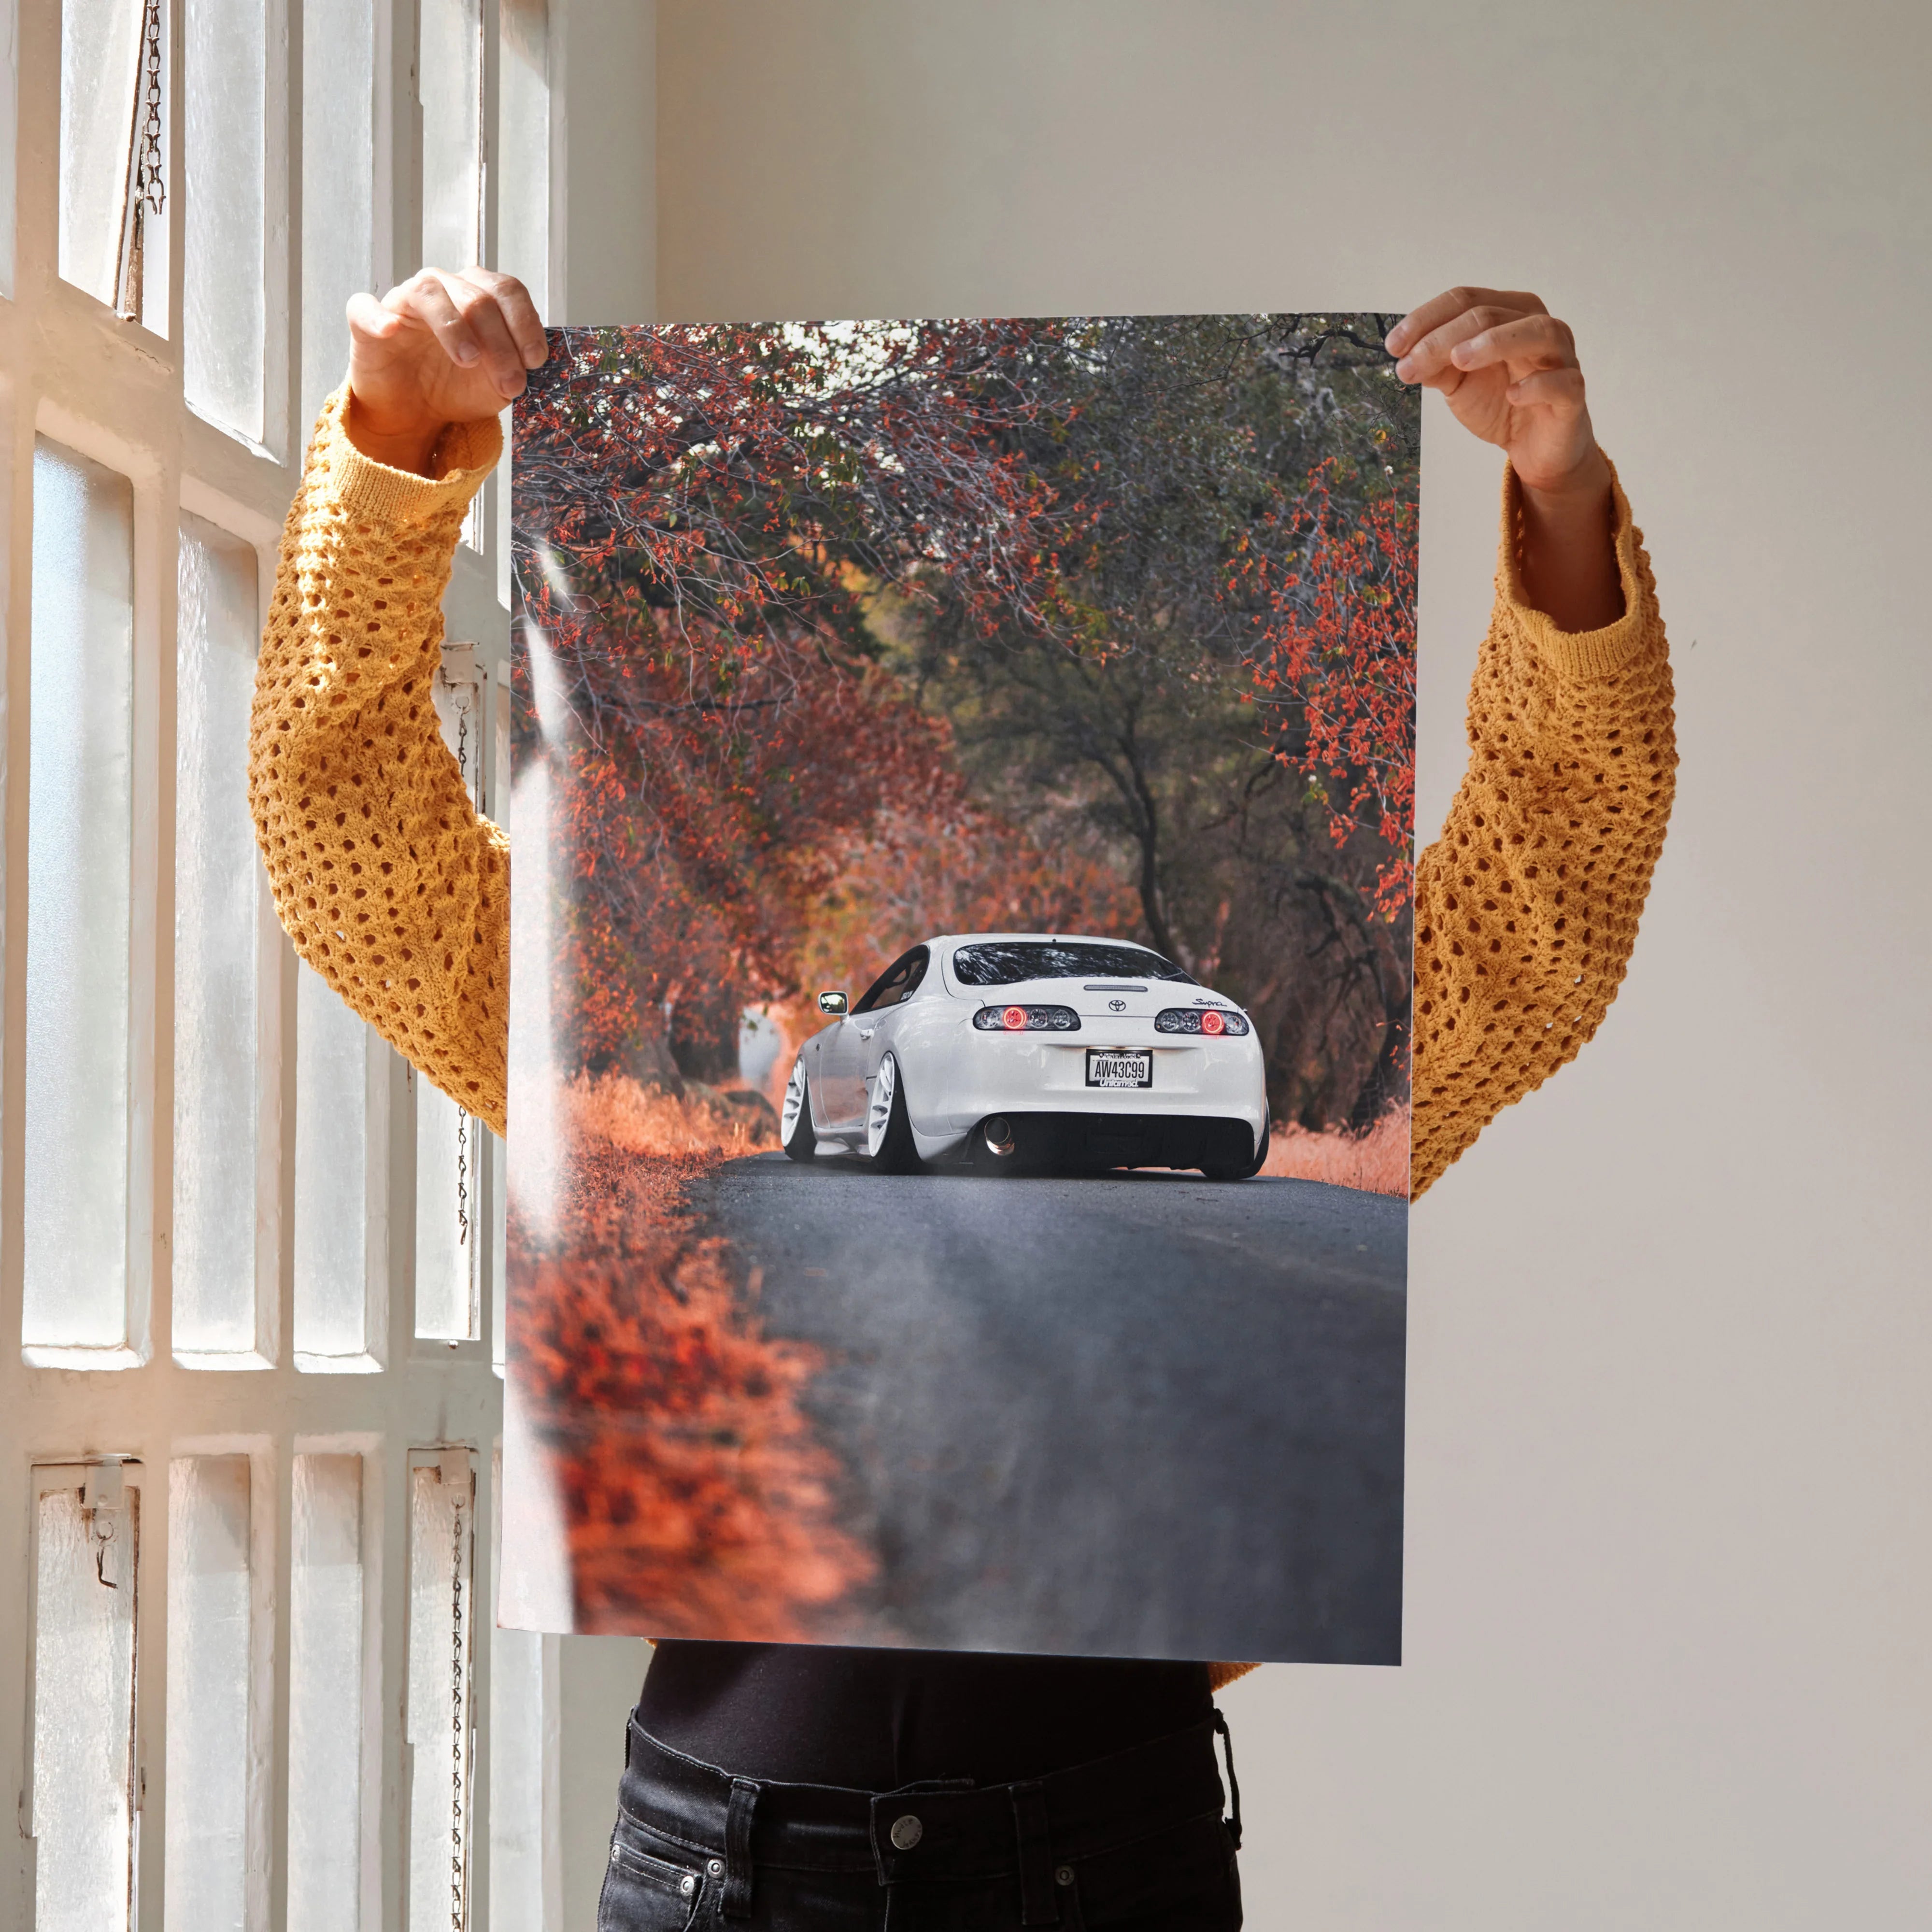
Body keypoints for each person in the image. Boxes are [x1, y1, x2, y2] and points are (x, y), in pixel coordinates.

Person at [250, 269, 1675, 1930]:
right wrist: (395, 441)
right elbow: (347, 842)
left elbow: (1547, 899)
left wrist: (1561, 494)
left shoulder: (1258, 1080)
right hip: (739, 1865)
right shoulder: (605, 1055)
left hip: (1097, 1848)